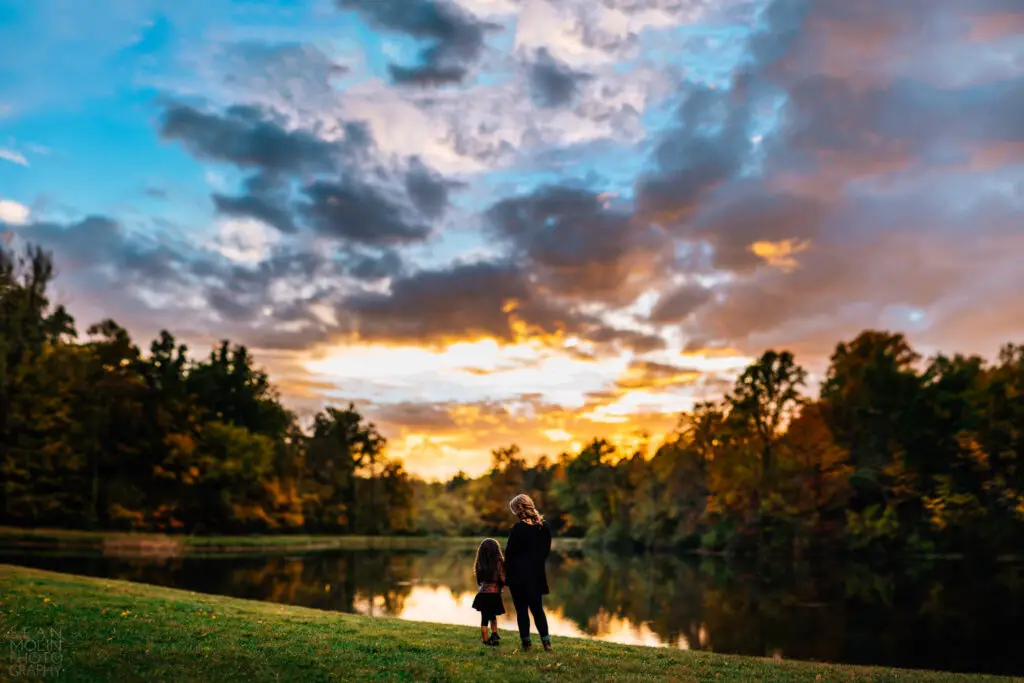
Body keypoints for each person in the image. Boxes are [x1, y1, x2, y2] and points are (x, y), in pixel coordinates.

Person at [503, 493, 552, 652]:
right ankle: (547, 644)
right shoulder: (543, 527)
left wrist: (506, 575)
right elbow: (545, 552)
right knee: (538, 610)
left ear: (518, 509)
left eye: (514, 510)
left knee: (522, 610)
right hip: (536, 575)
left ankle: (526, 644)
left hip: (518, 576)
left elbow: (509, 554)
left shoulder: (518, 528)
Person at [471, 538, 506, 646]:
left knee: (485, 618)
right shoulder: (499, 561)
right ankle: (494, 635)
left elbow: (479, 580)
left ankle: (485, 640)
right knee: (493, 615)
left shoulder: (480, 561)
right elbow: (502, 577)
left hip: (482, 594)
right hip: (494, 594)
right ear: (496, 549)